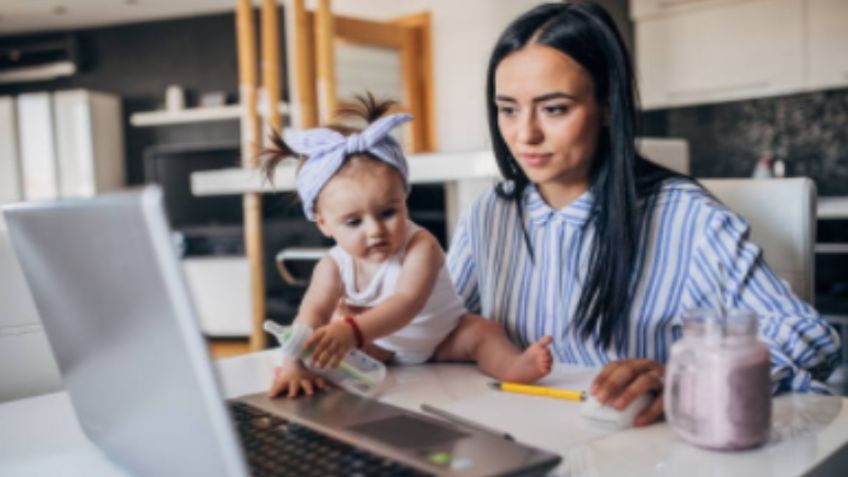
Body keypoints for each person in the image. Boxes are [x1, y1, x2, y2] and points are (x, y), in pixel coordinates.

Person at [446, 1, 840, 426]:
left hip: (635, 448)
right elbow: (439, 325)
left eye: (554, 108)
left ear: (610, 107)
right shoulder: (489, 213)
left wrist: (686, 379)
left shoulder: (686, 218)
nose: (525, 135)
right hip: (519, 435)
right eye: (508, 109)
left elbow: (808, 336)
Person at [262, 95, 553, 399]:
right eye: (353, 222)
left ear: (404, 200)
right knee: (328, 359)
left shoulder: (420, 246)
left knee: (483, 332)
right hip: (383, 345)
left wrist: (351, 330)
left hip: (445, 336)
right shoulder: (331, 266)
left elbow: (406, 303)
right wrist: (294, 363)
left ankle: (515, 366)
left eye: (388, 213)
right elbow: (310, 315)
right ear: (323, 223)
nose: (375, 231)